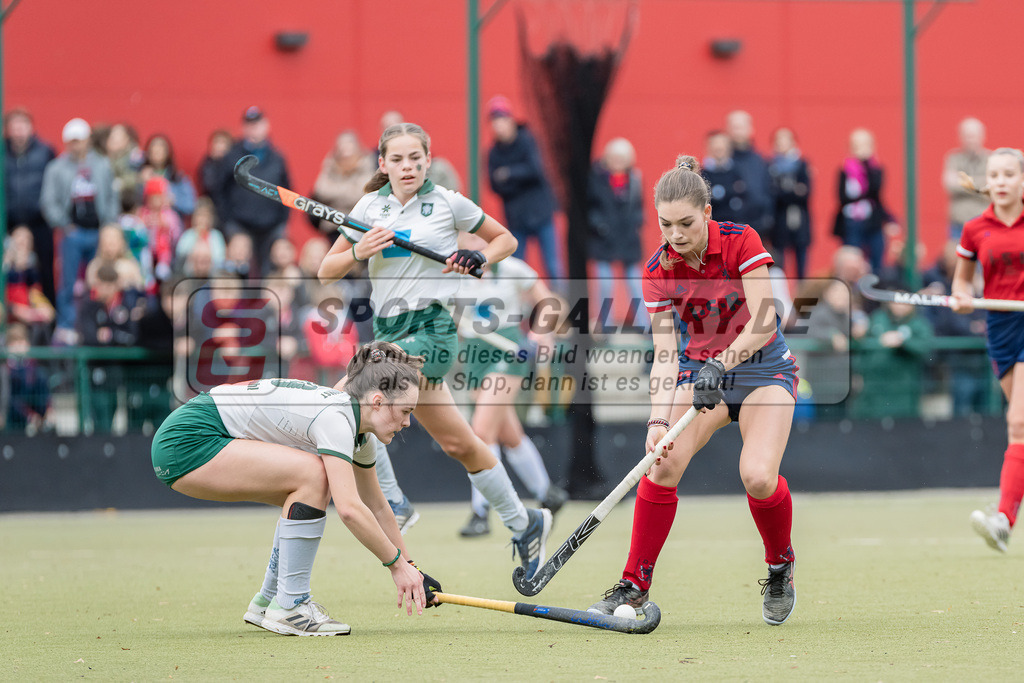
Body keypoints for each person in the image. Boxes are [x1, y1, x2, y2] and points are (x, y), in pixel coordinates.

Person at [318, 121, 553, 579]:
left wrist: (481, 257)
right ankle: (525, 523)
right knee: (459, 442)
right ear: (382, 164)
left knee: (352, 392)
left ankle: (396, 503)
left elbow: (506, 239)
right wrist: (359, 249)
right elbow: (327, 271)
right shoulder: (368, 206)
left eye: (415, 158)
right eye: (398, 159)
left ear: (427, 160)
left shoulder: (447, 202)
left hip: (430, 328)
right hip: (389, 326)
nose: (408, 166)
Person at [586, 155, 798, 626]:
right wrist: (657, 421)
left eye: (685, 223)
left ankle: (779, 565)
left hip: (764, 371)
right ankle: (634, 584)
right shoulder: (659, 269)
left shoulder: (742, 241)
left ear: (706, 213)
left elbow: (764, 322)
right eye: (665, 225)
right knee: (662, 464)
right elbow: (665, 354)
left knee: (758, 477)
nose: (676, 235)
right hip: (701, 374)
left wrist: (721, 363)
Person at [151, 342, 443, 635]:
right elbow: (350, 510)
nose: (407, 423)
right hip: (188, 440)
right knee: (315, 475)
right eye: (405, 411)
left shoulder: (362, 438)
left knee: (305, 490)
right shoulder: (336, 418)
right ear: (377, 402)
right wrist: (395, 567)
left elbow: (377, 506)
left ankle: (268, 602)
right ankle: (290, 606)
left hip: (195, 438)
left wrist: (411, 567)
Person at [454, 232, 569, 537]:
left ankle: (481, 512)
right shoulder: (454, 274)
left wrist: (541, 333)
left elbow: (546, 301)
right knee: (508, 434)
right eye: (466, 239)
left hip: (509, 352)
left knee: (481, 431)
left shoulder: (512, 269)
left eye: (479, 238)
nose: (474, 244)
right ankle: (548, 494)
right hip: (475, 353)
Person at [950, 148, 1024, 553]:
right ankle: (1005, 519)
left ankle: (1003, 519)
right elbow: (962, 283)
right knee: (1021, 426)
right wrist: (961, 297)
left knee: (1018, 421)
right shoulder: (976, 228)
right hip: (1001, 327)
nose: (999, 181)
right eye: (994, 175)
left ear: (1021, 181)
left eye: (1008, 174)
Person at [40, 117, 118, 342]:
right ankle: (66, 325)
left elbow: (112, 197)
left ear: (87, 141)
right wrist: (64, 224)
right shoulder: (57, 167)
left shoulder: (101, 165)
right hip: (72, 233)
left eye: (80, 140)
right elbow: (48, 201)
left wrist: (108, 225)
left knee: (98, 279)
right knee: (68, 280)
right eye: (72, 141)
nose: (77, 145)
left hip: (98, 231)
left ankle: (93, 322)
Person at [486, 95, 565, 282]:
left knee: (553, 265)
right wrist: (512, 177)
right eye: (494, 121)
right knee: (515, 266)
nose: (499, 125)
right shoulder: (493, 152)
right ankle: (519, 308)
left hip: (541, 213)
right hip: (516, 217)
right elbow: (494, 184)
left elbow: (536, 171)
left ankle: (563, 306)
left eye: (502, 120)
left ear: (510, 119)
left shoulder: (527, 140)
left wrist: (509, 174)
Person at [211, 106, 291, 277]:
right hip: (240, 225)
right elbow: (219, 190)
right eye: (249, 124)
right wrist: (228, 222)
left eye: (257, 124)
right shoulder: (232, 155)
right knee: (239, 270)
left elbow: (287, 191)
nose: (253, 129)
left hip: (271, 227)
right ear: (243, 127)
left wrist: (281, 222)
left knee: (271, 272)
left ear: (266, 125)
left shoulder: (277, 157)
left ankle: (269, 303)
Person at [587, 137, 646, 329]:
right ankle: (606, 324)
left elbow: (639, 207)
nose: (617, 163)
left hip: (628, 238)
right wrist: (599, 225)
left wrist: (637, 222)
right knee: (605, 283)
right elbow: (589, 207)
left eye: (622, 159)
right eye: (614, 158)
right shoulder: (596, 178)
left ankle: (644, 324)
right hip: (604, 239)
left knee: (635, 283)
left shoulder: (635, 179)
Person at [5, 108, 56, 303]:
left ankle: (49, 315)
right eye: (14, 126)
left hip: (39, 220)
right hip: (9, 221)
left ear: (30, 127)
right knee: (10, 267)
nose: (18, 131)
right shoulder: (3, 152)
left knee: (44, 269)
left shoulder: (45, 151)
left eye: (22, 126)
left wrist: (50, 211)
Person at [833, 128, 897, 274]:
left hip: (872, 222)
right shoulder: (845, 169)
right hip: (852, 222)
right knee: (851, 260)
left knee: (877, 260)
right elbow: (842, 198)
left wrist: (866, 165)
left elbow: (875, 192)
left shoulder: (876, 169)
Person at [310, 130, 376, 238]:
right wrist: (349, 190)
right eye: (342, 145)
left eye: (349, 144)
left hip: (360, 227)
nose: (345, 149)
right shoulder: (330, 165)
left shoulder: (367, 163)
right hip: (333, 228)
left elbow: (362, 193)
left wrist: (335, 197)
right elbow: (320, 191)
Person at [768, 127, 812, 279]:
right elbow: (773, 193)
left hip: (799, 221)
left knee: (801, 266)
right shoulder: (770, 166)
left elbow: (805, 193)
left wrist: (785, 191)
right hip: (779, 222)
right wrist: (792, 190)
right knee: (778, 264)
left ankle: (802, 298)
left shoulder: (802, 164)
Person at [725, 110, 773, 242]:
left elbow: (768, 194)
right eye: (734, 127)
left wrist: (766, 221)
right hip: (727, 232)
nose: (738, 132)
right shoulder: (720, 163)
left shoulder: (761, 162)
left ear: (751, 129)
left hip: (758, 231)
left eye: (741, 127)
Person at [942, 117, 990, 240]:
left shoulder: (991, 159)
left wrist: (962, 183)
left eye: (973, 136)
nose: (970, 140)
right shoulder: (953, 158)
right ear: (960, 137)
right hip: (958, 223)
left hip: (984, 222)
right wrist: (979, 184)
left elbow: (991, 186)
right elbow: (949, 184)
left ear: (982, 136)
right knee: (958, 257)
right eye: (967, 136)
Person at [140, 133, 197, 220]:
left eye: (160, 148)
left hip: (172, 228)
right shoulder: (141, 175)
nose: (157, 151)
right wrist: (141, 183)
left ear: (168, 152)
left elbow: (190, 206)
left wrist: (173, 200)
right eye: (153, 148)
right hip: (147, 226)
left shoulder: (178, 178)